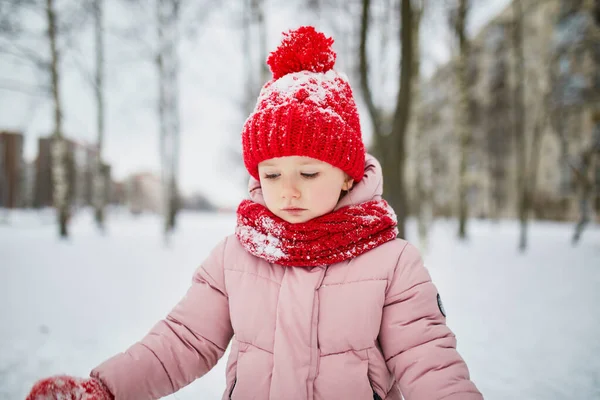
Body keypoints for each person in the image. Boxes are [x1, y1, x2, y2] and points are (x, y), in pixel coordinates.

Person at [26, 26, 482, 400]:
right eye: (272, 174)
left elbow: (429, 361)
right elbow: (183, 341)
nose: (287, 191)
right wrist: (106, 390)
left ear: (347, 175)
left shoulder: (392, 264)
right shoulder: (235, 257)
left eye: (307, 173)